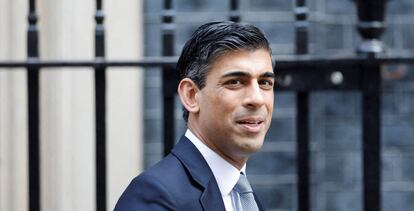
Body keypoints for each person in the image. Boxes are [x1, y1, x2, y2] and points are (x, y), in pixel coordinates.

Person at [114, 21, 275, 211]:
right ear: (191, 95)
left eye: (264, 82)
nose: (256, 99)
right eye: (235, 82)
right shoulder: (155, 195)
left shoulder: (242, 194)